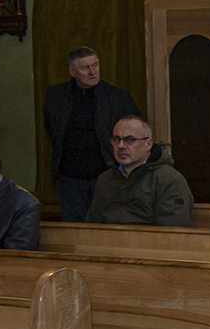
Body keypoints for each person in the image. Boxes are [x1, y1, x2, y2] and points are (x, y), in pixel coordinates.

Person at [43, 47, 141, 221]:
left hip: (107, 173)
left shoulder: (117, 96)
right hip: (69, 177)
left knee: (106, 226)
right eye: (85, 68)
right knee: (75, 229)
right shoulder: (55, 96)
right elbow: (52, 131)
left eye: (95, 65)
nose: (92, 72)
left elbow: (135, 131)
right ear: (73, 72)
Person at [88, 116, 194, 226]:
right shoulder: (105, 179)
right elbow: (92, 225)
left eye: (130, 140)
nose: (121, 146)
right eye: (116, 139)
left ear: (148, 144)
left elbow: (173, 230)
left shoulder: (169, 180)